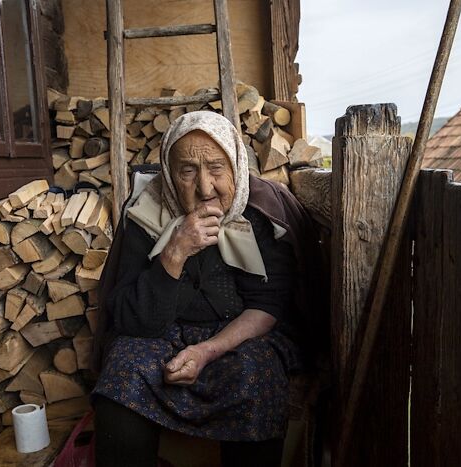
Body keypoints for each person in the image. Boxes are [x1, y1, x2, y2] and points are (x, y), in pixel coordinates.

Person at [92, 111, 323, 467]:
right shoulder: (145, 211)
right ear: (169, 176)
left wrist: (207, 351)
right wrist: (175, 250)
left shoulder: (263, 211)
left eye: (216, 168)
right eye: (187, 171)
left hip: (239, 335)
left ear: (236, 166)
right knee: (122, 371)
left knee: (256, 375)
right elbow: (132, 318)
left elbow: (268, 305)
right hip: (160, 333)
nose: (204, 188)